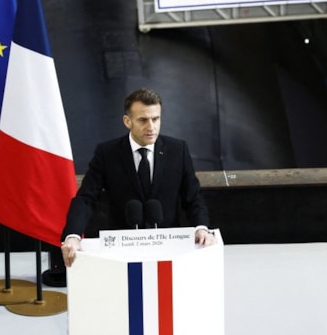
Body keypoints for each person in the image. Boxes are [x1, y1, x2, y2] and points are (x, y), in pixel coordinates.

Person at [61, 87, 214, 267]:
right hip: (121, 251)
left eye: (155, 119)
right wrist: (73, 235)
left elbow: (193, 197)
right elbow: (86, 198)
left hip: (169, 248)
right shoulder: (107, 153)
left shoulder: (177, 150)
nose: (151, 127)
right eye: (143, 120)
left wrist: (202, 227)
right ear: (127, 121)